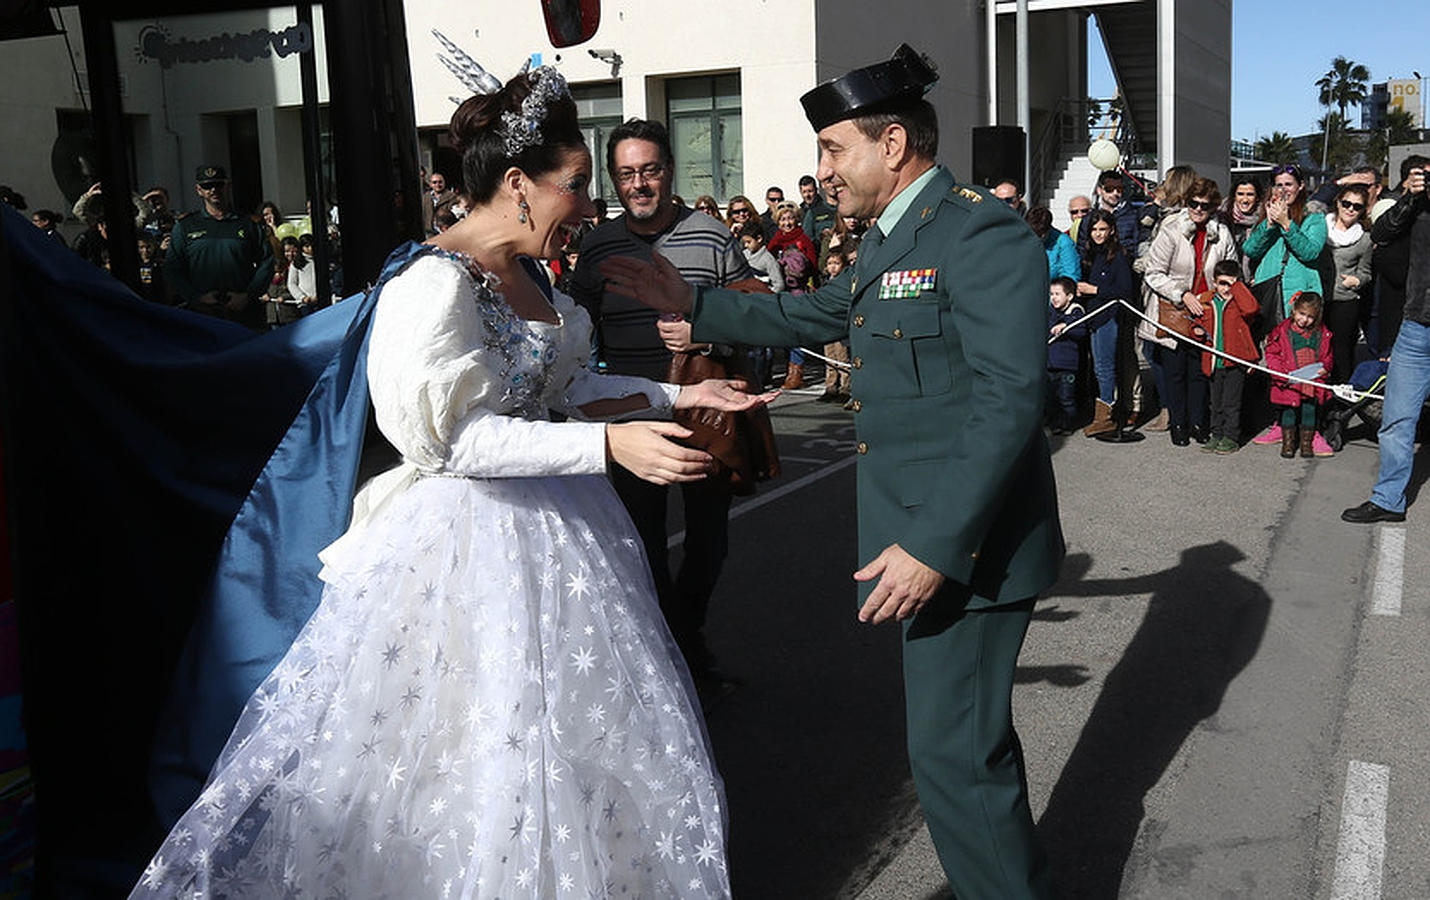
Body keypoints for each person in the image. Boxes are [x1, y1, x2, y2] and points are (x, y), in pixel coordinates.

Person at [129, 61, 764, 899]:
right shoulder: (431, 284)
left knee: (575, 747)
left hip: (564, 538)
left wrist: (681, 392)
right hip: (466, 553)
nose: (590, 204)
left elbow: (561, 387)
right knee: (475, 750)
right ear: (517, 184)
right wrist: (609, 450)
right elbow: (452, 442)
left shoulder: (530, 273)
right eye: (576, 183)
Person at [601, 44, 1064, 899]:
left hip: (966, 546)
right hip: (936, 537)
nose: (821, 171)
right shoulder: (895, 236)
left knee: (957, 757)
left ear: (892, 145)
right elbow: (814, 309)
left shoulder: (978, 230)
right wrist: (691, 302)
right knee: (960, 752)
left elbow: (1008, 403)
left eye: (832, 149)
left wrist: (930, 543)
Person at [567, 117, 764, 689]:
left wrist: (704, 334)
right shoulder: (599, 245)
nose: (639, 184)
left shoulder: (711, 234)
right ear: (613, 180)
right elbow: (576, 327)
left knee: (709, 544)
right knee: (640, 545)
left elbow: (755, 313)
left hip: (702, 411)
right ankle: (680, 652)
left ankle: (684, 632)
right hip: (630, 416)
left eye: (649, 170)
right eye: (627, 174)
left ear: (670, 171)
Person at [1342, 162, 1428, 523]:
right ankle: (1389, 500)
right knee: (1396, 418)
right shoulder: (1418, 205)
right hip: (1416, 323)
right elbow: (1382, 230)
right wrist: (1411, 198)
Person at [1140, 177, 1238, 446]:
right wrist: (1182, 294)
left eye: (1204, 206)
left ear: (1213, 207)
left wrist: (1215, 295)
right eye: (1193, 203)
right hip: (1173, 309)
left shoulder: (1222, 233)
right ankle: (1179, 423)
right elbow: (1153, 273)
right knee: (1175, 371)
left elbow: (1231, 271)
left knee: (1199, 371)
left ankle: (1198, 422)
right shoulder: (1171, 229)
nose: (1197, 209)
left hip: (1207, 310)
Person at [1242, 164, 1328, 446]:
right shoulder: (1266, 215)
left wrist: (1287, 224)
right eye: (1278, 185)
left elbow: (1310, 251)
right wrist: (1268, 224)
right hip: (1269, 296)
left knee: (1305, 362)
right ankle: (1279, 422)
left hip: (1300, 298)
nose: (1283, 190)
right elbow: (1251, 249)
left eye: (1289, 184)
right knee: (1276, 360)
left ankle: (1310, 428)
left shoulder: (1314, 218)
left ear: (1301, 186)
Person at [164, 165, 273, 328]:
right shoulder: (186, 226)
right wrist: (195, 298)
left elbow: (267, 262)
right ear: (199, 190)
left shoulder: (249, 223)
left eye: (218, 184)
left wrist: (247, 296)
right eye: (207, 186)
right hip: (202, 317)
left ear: (227, 186)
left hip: (243, 314)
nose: (213, 190)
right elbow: (172, 268)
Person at [1077, 208, 1134, 436]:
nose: (1098, 234)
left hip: (1108, 316)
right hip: (1093, 315)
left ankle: (1107, 415)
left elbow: (1125, 289)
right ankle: (1102, 413)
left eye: (1103, 229)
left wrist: (1095, 289)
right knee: (1099, 367)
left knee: (1105, 368)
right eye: (1094, 229)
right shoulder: (1091, 254)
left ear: (1112, 230)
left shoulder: (1118, 255)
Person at [1197, 260, 1260, 453]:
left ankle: (1231, 437)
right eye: (1222, 283)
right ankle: (1216, 434)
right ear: (1214, 282)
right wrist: (1196, 330)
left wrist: (1237, 287)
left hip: (1235, 362)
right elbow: (1197, 321)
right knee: (1215, 403)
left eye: (1230, 284)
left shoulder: (1239, 301)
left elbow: (1251, 309)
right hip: (1214, 361)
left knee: (1231, 403)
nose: (1226, 288)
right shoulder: (1208, 301)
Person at [1265, 292, 1333, 459]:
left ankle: (1306, 443)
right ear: (1294, 310)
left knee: (1309, 410)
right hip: (1289, 379)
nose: (1305, 320)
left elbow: (1328, 355)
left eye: (1310, 317)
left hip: (1311, 379)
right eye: (1302, 314)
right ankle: (1288, 442)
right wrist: (1280, 374)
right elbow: (1272, 353)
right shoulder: (1283, 331)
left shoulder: (1322, 333)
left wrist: (1326, 367)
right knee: (1289, 410)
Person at [1321, 183, 1373, 385]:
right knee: (1318, 349)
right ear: (1338, 203)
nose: (1350, 209)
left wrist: (1357, 280)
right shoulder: (1320, 227)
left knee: (1342, 350)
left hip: (1345, 301)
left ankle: (1341, 398)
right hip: (1318, 298)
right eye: (1346, 203)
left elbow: (1366, 272)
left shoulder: (1364, 239)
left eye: (1357, 206)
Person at [1046, 276, 1086, 435]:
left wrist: (1066, 326)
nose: (1053, 298)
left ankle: (1068, 424)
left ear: (1069, 296)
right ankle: (1055, 423)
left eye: (1057, 294)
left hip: (1066, 365)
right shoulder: (1050, 312)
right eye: (1051, 294)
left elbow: (1081, 330)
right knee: (1051, 397)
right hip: (1050, 364)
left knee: (1066, 397)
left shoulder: (1075, 312)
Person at [818, 251, 853, 403]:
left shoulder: (845, 283)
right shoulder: (826, 282)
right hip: (826, 324)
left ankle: (845, 387)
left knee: (842, 357)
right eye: (830, 263)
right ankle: (830, 386)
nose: (832, 267)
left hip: (839, 324)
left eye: (836, 263)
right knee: (829, 357)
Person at [1219, 175, 1263, 281]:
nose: (1245, 200)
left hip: (1256, 280)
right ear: (1234, 196)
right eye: (1240, 194)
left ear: (1257, 197)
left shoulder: (1265, 219)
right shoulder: (1222, 216)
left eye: (1250, 195)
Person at [1026, 206, 1079, 281]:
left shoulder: (1064, 243)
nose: (1036, 239)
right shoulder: (1022, 239)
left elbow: (1071, 276)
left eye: (1040, 235)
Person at [799, 173, 838, 243]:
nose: (807, 195)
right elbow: (807, 239)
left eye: (810, 191)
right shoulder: (808, 212)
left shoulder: (847, 209)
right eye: (804, 192)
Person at [421, 171, 458, 236]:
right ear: (430, 184)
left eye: (440, 182)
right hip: (429, 233)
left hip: (445, 233)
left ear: (444, 183)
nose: (437, 185)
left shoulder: (452, 197)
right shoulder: (425, 198)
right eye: (434, 182)